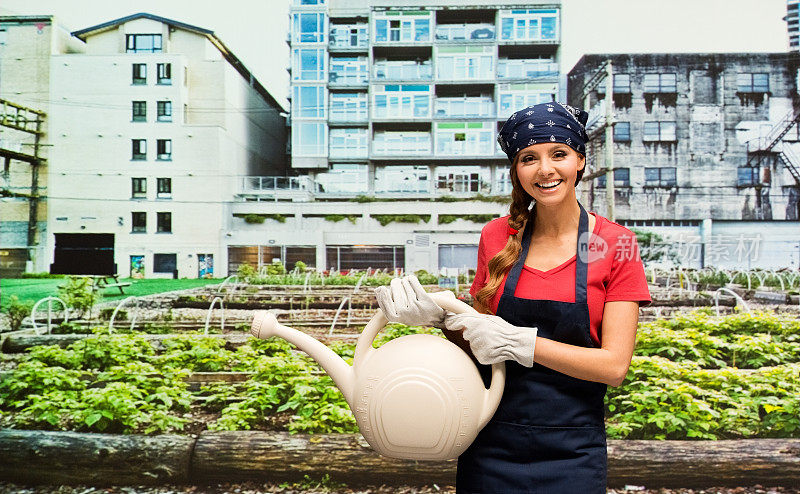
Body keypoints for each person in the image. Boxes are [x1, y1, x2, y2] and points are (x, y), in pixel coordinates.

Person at [374, 101, 652, 493]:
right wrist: (441, 319)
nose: (545, 170)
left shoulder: (615, 243)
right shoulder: (496, 237)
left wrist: (526, 343)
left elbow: (613, 367)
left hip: (573, 452)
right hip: (490, 441)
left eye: (559, 154)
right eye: (528, 158)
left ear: (581, 162)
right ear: (516, 171)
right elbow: (479, 341)